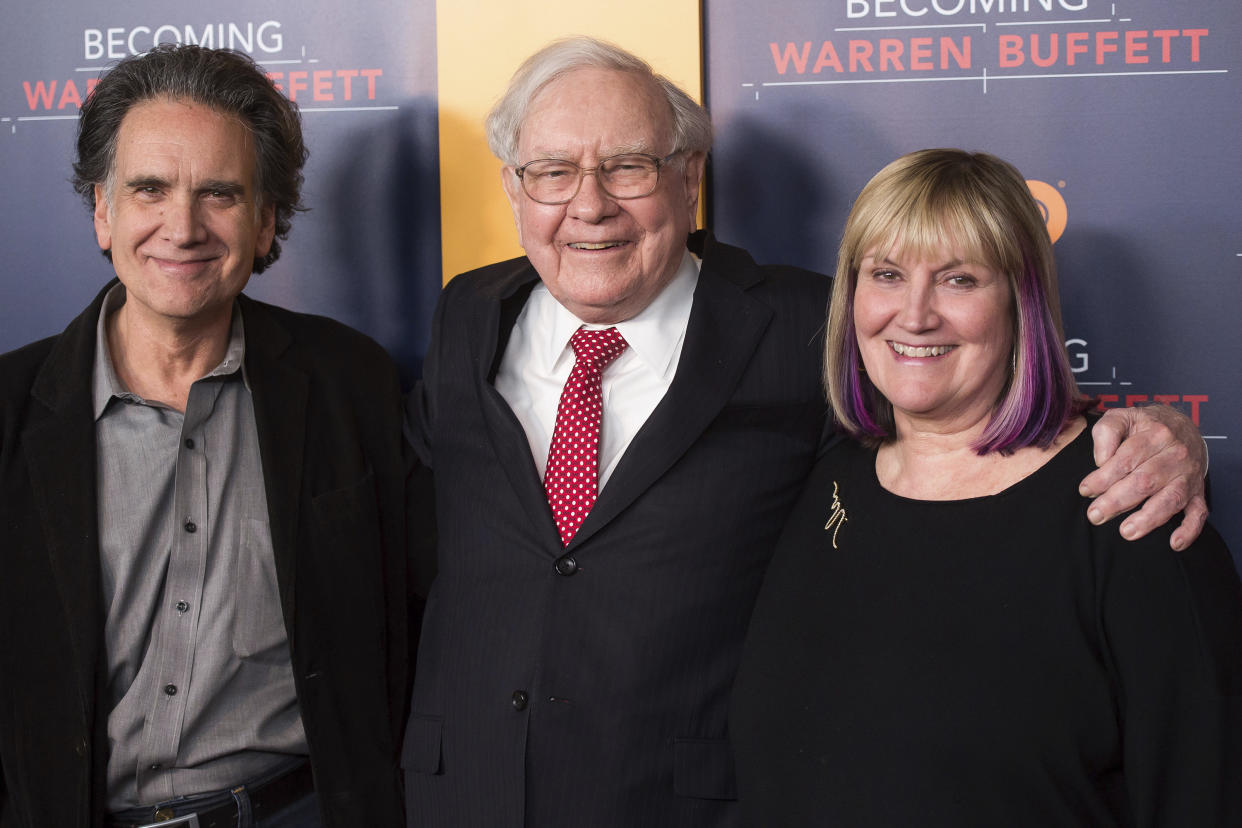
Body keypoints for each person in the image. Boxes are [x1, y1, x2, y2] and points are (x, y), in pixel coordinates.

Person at [402, 38, 1209, 827]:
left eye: (627, 166)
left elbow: (956, 417)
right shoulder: (469, 315)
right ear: (512, 188)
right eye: (552, 172)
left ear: (688, 177)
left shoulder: (806, 326)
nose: (589, 204)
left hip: (683, 801)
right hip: (464, 795)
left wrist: (1165, 435)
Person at [730, 149, 1242, 825]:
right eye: (886, 274)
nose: (914, 315)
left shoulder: (1128, 504)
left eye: (959, 280)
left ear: (1021, 301)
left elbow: (1203, 795)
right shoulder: (825, 476)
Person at [0, 46, 411, 827]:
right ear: (102, 211)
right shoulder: (7, 409)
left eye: (218, 193)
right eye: (149, 188)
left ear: (263, 223)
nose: (181, 227)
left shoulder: (350, 383)